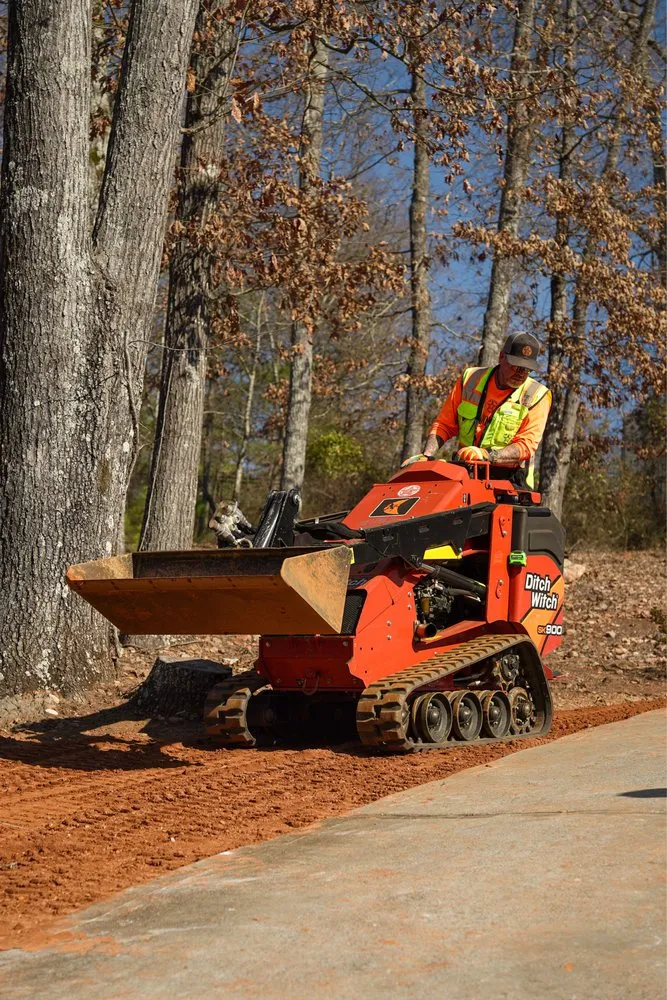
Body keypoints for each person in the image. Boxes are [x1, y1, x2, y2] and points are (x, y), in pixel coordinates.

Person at [402, 331, 552, 489]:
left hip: (511, 481)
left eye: (526, 369)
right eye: (516, 366)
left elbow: (526, 446)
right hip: (465, 472)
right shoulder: (470, 379)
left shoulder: (538, 395)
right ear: (502, 357)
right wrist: (427, 456)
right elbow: (444, 424)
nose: (520, 374)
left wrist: (486, 455)